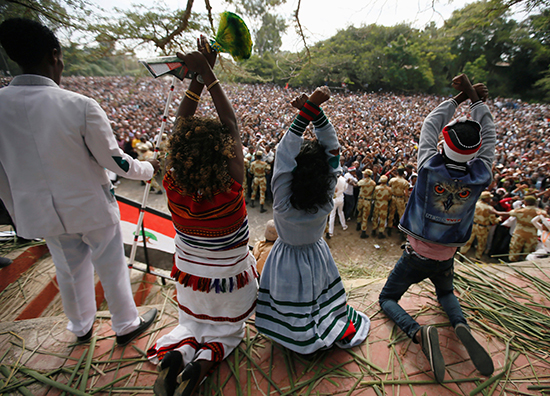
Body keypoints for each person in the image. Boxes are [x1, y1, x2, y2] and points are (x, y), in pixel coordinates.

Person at [0, 18, 158, 345]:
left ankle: (81, 327)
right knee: (112, 267)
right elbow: (114, 160)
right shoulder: (79, 105)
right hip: (91, 206)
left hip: (42, 212)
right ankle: (126, 324)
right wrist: (148, 168)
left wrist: (18, 213)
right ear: (54, 56)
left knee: (69, 271)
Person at [146, 38, 258, 396]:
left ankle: (178, 354)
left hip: (189, 283)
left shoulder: (173, 185)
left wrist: (198, 76)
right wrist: (208, 74)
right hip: (230, 288)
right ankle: (204, 362)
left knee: (191, 325)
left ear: (180, 155)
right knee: (228, 332)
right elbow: (232, 125)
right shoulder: (232, 191)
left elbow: (181, 125)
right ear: (224, 155)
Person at [378, 74, 496, 383]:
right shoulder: (481, 174)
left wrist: (460, 98)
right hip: (447, 256)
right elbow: (491, 136)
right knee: (446, 293)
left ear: (444, 143)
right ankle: (460, 325)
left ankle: (417, 332)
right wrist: (476, 100)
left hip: (416, 254)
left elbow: (431, 123)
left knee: (387, 299)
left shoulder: (428, 165)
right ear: (477, 152)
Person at [255, 87, 370, 355]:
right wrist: (314, 113)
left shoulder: (282, 202)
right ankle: (320, 327)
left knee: (290, 302)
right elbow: (332, 148)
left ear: (289, 174)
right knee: (316, 299)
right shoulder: (327, 195)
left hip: (284, 257)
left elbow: (284, 152)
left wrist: (308, 110)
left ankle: (287, 333)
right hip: (317, 256)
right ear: (325, 173)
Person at [459, 191, 501, 260]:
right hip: (483, 227)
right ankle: (478, 258)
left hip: (473, 225)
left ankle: (461, 255)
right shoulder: (489, 208)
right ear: (486, 199)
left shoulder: (474, 204)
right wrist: (499, 219)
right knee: (481, 243)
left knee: (468, 241)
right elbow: (493, 220)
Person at [507, 195, 544, 262]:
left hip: (519, 233)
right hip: (532, 234)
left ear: (525, 202)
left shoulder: (520, 211)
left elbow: (511, 213)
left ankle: (512, 262)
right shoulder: (541, 212)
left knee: (515, 250)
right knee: (528, 252)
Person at [387, 167, 409, 236]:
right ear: (403, 174)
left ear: (397, 173)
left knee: (391, 213)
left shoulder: (392, 180)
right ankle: (401, 231)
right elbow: (406, 193)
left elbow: (389, 188)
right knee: (401, 215)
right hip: (400, 199)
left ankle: (389, 228)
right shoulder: (405, 182)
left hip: (393, 197)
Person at [356, 169, 376, 238]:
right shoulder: (373, 183)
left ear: (367, 174)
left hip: (361, 199)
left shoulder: (362, 181)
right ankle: (363, 230)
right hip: (367, 200)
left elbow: (357, 184)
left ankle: (358, 225)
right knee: (365, 216)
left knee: (359, 212)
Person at [327, 173, 348, 239]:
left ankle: (331, 232)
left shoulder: (331, 180)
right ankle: (344, 225)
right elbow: (345, 188)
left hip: (334, 199)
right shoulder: (344, 179)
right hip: (341, 198)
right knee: (341, 212)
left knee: (332, 215)